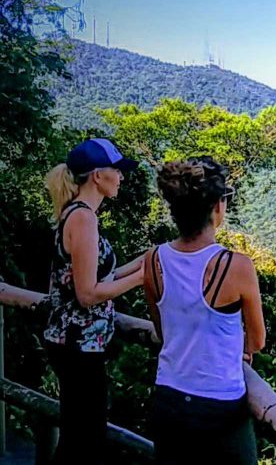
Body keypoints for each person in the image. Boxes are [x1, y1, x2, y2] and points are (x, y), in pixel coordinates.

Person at [143, 156, 266, 465]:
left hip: (168, 398)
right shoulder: (236, 266)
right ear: (217, 207)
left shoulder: (154, 260)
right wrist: (242, 350)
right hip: (219, 406)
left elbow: (162, 330)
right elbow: (257, 341)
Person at [43, 138, 144, 464]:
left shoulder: (75, 214)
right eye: (117, 170)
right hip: (78, 347)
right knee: (83, 443)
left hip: (72, 343)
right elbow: (87, 294)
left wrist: (147, 260)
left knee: (78, 437)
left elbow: (99, 277)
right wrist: (141, 278)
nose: (122, 177)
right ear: (98, 176)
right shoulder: (84, 219)